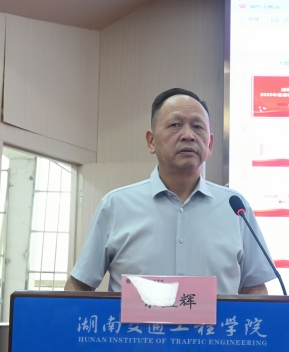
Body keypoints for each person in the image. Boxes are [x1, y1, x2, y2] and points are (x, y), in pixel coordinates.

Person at [65, 88, 275, 294]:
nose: (188, 135)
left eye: (198, 127)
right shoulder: (116, 205)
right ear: (151, 141)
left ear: (210, 144)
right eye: (175, 125)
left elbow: (255, 288)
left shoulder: (236, 208)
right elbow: (79, 285)